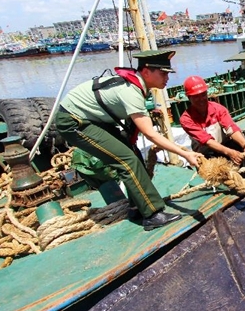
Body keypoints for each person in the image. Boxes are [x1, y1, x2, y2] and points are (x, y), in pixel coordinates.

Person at [55, 50, 203, 231]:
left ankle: (136, 207)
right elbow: (151, 135)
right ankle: (152, 215)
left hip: (92, 118)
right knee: (127, 160)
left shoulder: (137, 85)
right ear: (146, 72)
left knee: (132, 154)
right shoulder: (131, 91)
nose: (167, 78)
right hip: (74, 121)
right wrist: (185, 154)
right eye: (163, 73)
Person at [180, 75, 245, 165]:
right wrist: (230, 153)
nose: (201, 99)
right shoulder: (186, 119)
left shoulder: (218, 108)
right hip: (205, 154)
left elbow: (231, 128)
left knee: (239, 147)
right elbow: (206, 140)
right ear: (189, 97)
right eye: (196, 96)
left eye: (203, 95)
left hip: (223, 145)